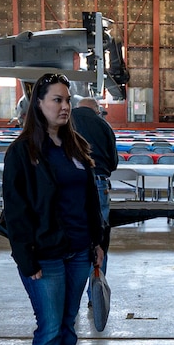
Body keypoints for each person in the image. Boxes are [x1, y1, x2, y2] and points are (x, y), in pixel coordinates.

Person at [0, 72, 106, 345]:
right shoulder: (22, 152)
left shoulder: (76, 146)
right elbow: (16, 212)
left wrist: (97, 243)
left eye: (67, 100)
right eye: (57, 100)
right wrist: (26, 259)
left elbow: (90, 201)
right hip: (44, 256)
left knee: (68, 327)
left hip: (78, 251)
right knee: (48, 328)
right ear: (39, 105)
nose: (64, 106)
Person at [69, 90, 120, 254]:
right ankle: (97, 276)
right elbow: (113, 163)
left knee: (70, 229)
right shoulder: (104, 125)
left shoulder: (64, 120)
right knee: (100, 234)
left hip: (68, 183)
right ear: (97, 110)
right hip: (98, 180)